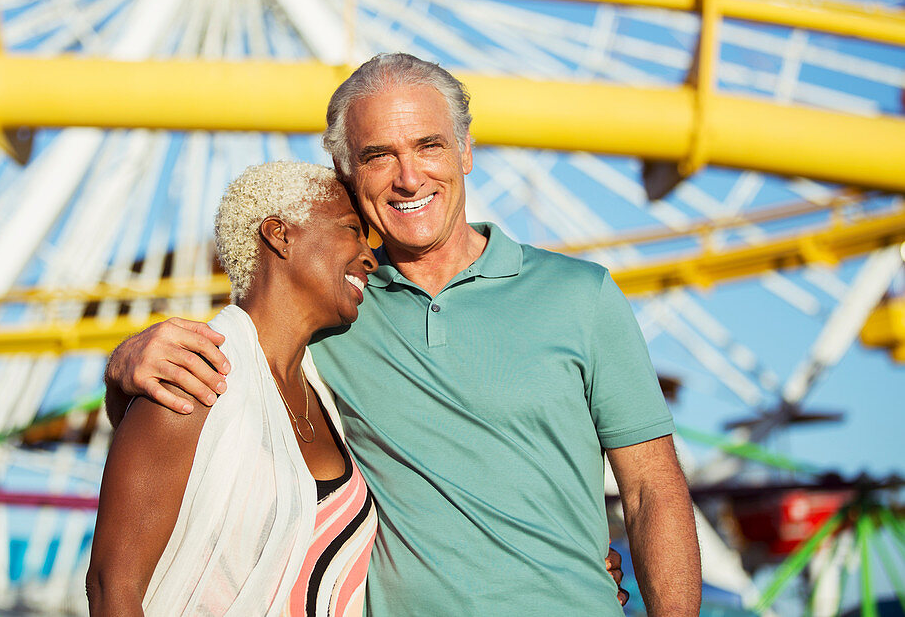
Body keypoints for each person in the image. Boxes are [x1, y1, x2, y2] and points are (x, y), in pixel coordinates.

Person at [103, 53, 699, 615]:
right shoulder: (334, 317)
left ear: (466, 150)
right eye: (379, 155)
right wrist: (126, 365)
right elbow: (213, 416)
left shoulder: (581, 295)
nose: (409, 177)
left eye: (429, 145)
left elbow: (652, 491)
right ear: (346, 171)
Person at [86, 162, 380, 615]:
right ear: (280, 235)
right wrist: (120, 371)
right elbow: (113, 587)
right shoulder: (191, 380)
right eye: (351, 230)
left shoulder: (325, 394)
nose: (370, 257)